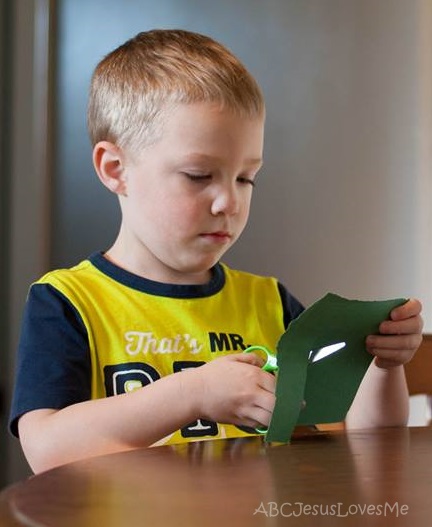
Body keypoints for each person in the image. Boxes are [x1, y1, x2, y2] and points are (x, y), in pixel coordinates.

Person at [9, 29, 423, 474]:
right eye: (198, 175)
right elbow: (47, 450)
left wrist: (382, 366)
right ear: (116, 170)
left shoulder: (270, 303)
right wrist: (193, 393)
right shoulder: (68, 302)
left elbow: (365, 442)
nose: (230, 201)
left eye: (246, 178)